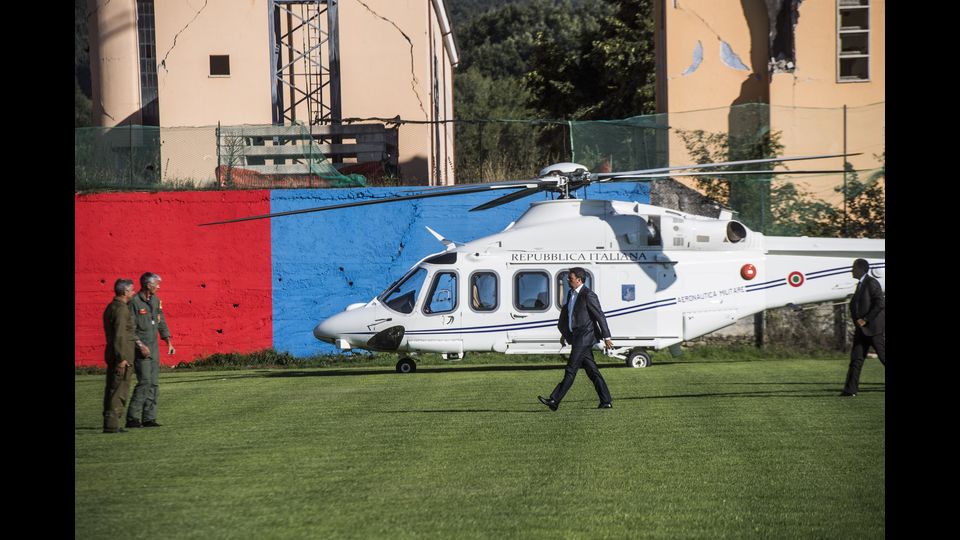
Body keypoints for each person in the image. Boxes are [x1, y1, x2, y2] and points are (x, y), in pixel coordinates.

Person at [539, 267, 614, 410]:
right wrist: (564, 333)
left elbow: (600, 316)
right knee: (592, 371)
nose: (568, 280)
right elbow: (570, 315)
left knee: (571, 369)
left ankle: (554, 400)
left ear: (579, 280)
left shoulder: (589, 295)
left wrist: (607, 337)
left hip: (584, 337)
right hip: (576, 336)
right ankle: (606, 401)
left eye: (570, 278)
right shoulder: (570, 293)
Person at [126, 272, 175, 428]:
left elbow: (161, 321)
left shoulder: (155, 300)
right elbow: (129, 329)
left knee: (154, 383)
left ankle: (149, 418)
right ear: (148, 285)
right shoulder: (134, 302)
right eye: (157, 284)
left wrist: (168, 342)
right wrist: (140, 345)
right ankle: (133, 418)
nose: (159, 287)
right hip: (141, 348)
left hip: (153, 347)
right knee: (145, 381)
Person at [841, 258, 885, 397]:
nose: (851, 270)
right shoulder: (860, 284)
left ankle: (850, 389)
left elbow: (880, 303)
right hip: (862, 330)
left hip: (873, 329)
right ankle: (850, 390)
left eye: (853, 268)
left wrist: (865, 320)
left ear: (861, 269)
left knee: (884, 357)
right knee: (856, 359)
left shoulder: (871, 282)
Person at [102, 279, 137, 433]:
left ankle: (110, 422)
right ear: (125, 292)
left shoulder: (111, 307)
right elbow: (121, 335)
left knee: (112, 388)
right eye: (132, 290)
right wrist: (122, 358)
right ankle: (112, 424)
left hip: (113, 353)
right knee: (119, 389)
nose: (134, 292)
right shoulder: (122, 309)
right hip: (121, 356)